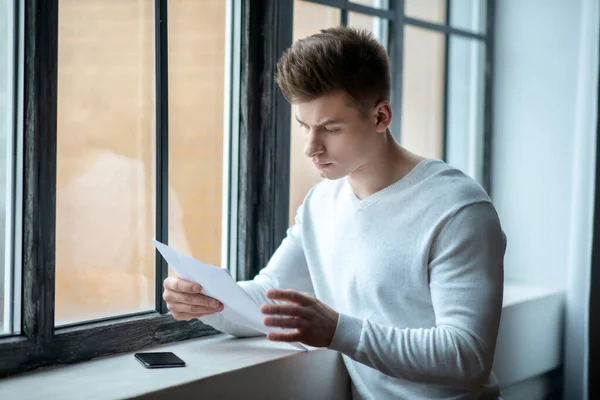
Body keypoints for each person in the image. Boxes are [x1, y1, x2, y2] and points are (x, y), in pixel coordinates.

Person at [163, 27, 506, 399]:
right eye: (305, 127)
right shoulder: (320, 204)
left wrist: (338, 331)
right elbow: (270, 298)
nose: (311, 147)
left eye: (330, 129)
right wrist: (206, 301)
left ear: (380, 117)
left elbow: (467, 356)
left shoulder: (458, 209)